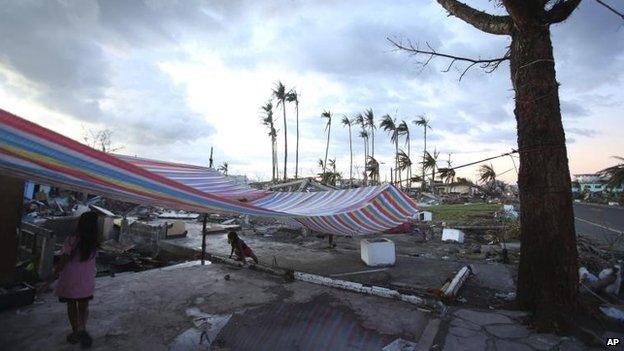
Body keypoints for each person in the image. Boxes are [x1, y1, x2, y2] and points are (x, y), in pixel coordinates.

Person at [54, 211, 99, 349]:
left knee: (71, 305)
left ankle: (76, 332)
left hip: (70, 282)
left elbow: (63, 261)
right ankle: (82, 328)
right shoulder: (94, 243)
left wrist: (55, 272)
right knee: (83, 306)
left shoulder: (71, 241)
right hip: (86, 282)